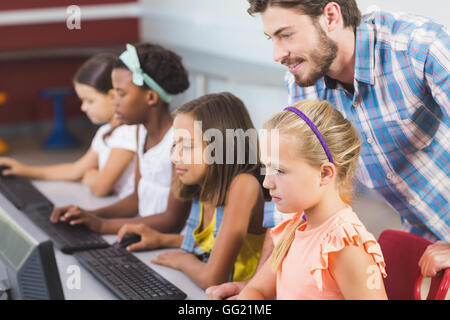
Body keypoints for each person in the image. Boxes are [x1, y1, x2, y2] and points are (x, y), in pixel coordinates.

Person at [208, 0, 449, 299]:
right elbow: (292, 195)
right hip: (426, 241)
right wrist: (264, 284)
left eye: (286, 35)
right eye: (272, 39)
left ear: (331, 16)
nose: (277, 54)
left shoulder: (419, 47)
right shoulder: (305, 81)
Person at [116, 92, 269, 289]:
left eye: (187, 146)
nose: (174, 156)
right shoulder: (204, 183)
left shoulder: (243, 185)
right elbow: (215, 245)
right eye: (175, 144)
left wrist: (183, 261)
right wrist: (162, 239)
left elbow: (213, 279)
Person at [237, 100, 387, 299]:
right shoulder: (296, 226)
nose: (266, 183)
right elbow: (256, 290)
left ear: (325, 173)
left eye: (279, 170)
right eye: (267, 168)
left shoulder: (345, 246)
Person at [50, 43, 191, 234]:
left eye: (121, 93)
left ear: (150, 97)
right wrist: (89, 215)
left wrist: (102, 225)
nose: (114, 101)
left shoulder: (180, 142)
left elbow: (172, 221)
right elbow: (137, 199)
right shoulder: (141, 133)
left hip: (170, 244)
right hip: (144, 234)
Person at [0, 54, 137, 198]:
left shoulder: (126, 133)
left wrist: (90, 176)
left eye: (90, 101)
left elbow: (100, 188)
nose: (83, 108)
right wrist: (24, 170)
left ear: (113, 96)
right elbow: (75, 170)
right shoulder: (106, 131)